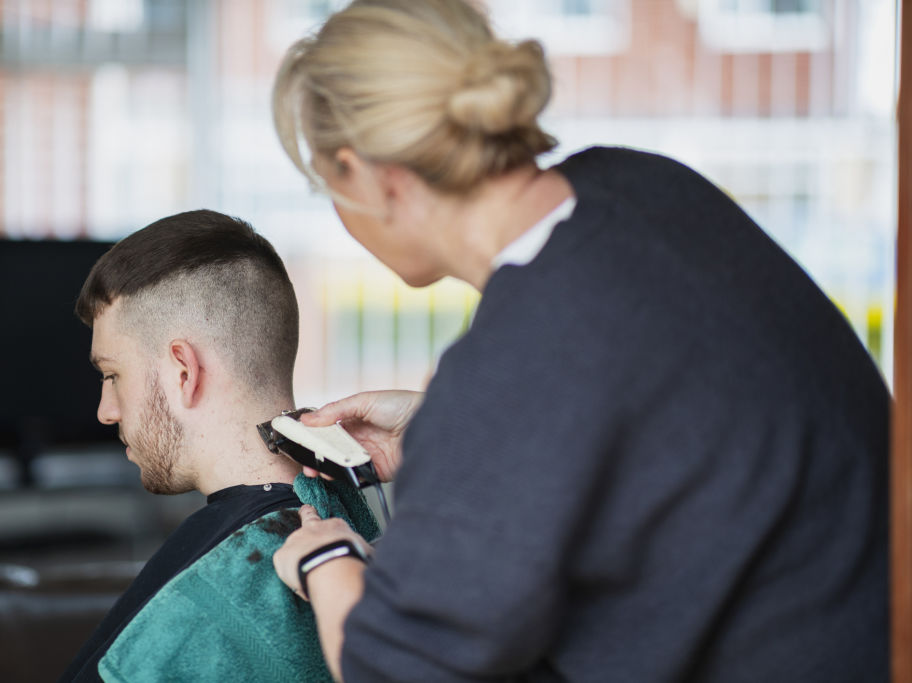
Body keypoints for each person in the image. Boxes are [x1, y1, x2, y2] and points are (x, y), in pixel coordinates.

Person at [268, 1, 891, 681]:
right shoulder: (645, 186)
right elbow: (659, 418)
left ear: (372, 177)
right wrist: (435, 433)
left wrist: (327, 560)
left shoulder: (513, 363)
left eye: (325, 183)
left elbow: (399, 666)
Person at [59, 209, 379, 682]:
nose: (106, 410)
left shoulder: (215, 596)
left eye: (112, 375)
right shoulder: (342, 521)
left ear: (183, 372)